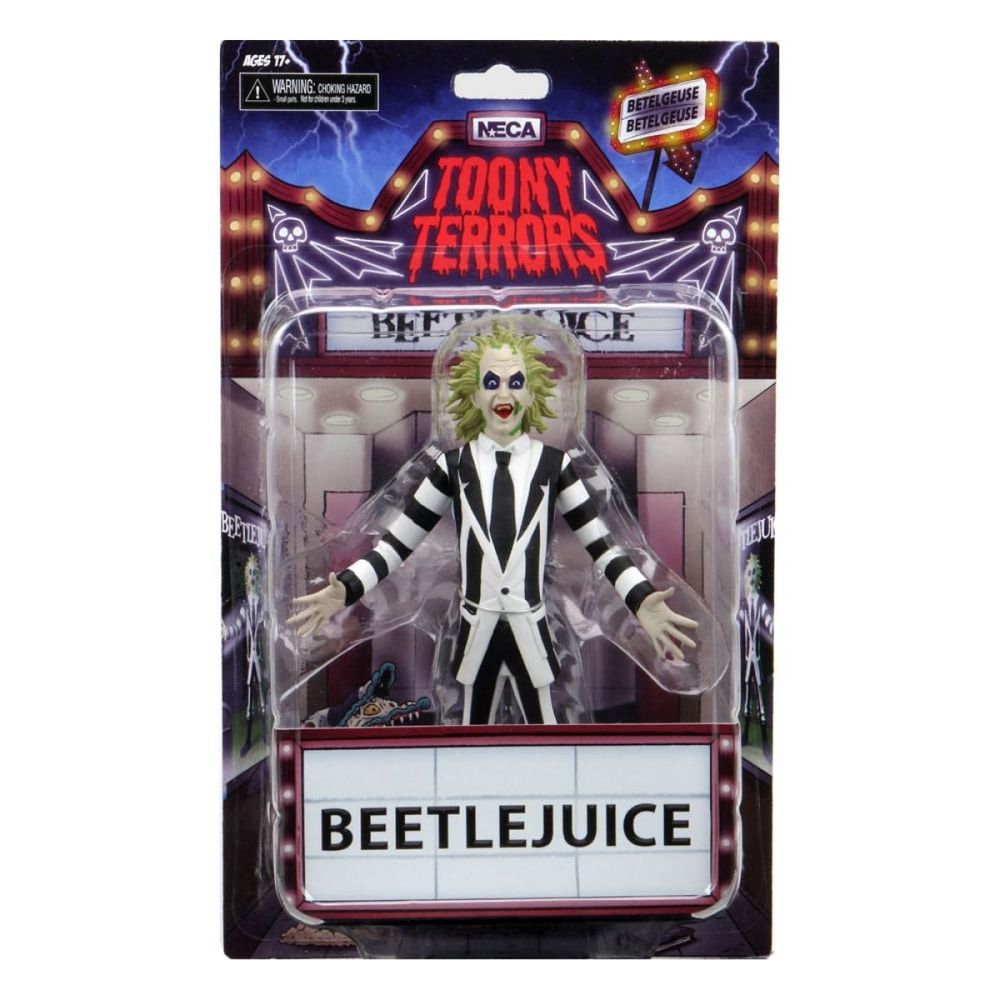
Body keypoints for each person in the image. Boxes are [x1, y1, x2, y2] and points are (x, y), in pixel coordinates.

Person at [289, 322, 696, 724]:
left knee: (549, 734)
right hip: (474, 630)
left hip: (532, 627)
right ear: (474, 393)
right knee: (469, 734)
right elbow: (395, 546)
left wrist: (641, 600)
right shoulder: (451, 467)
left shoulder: (555, 466)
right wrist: (345, 590)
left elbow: (604, 548)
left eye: (516, 382)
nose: (504, 394)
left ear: (532, 392)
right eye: (492, 382)